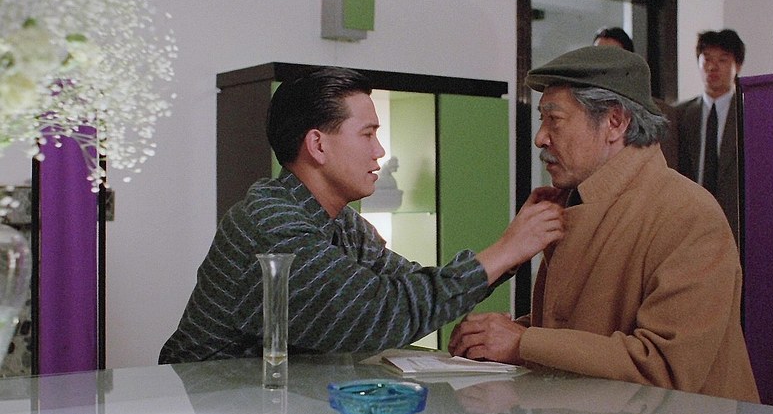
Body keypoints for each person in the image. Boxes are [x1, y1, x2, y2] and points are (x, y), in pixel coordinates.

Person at [159, 66, 565, 364]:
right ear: (318, 145)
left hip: (273, 404)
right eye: (368, 134)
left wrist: (511, 249)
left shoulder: (344, 223)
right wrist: (506, 250)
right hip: (210, 408)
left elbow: (412, 286)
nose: (380, 151)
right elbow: (379, 314)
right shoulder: (271, 223)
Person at [448, 46, 759, 403]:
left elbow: (664, 366)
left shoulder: (689, 214)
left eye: (555, 119)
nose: (541, 138)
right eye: (541, 119)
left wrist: (522, 342)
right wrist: (494, 336)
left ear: (615, 122)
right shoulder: (575, 200)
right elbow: (585, 325)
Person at [675, 29, 745, 242]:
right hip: (688, 226)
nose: (713, 67)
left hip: (736, 226)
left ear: (737, 66)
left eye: (722, 60)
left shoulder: (749, 114)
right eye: (707, 59)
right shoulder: (679, 115)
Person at [593, 26, 679, 170]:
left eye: (612, 56)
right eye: (598, 56)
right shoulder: (580, 109)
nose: (603, 64)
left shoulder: (658, 112)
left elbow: (668, 170)